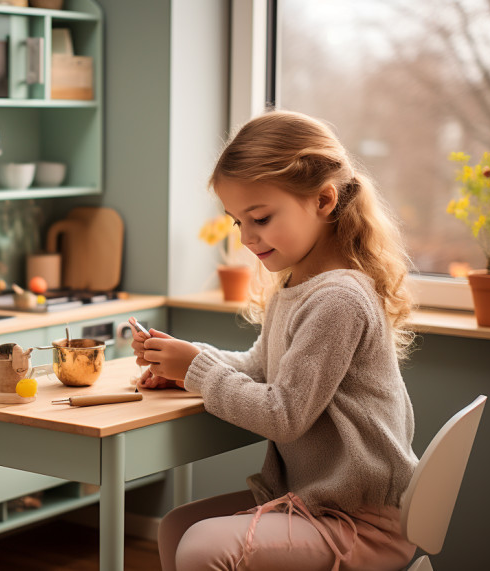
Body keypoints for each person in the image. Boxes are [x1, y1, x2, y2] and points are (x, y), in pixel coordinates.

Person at [133, 110, 419, 571]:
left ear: (324, 200)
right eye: (236, 222)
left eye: (260, 218)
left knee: (202, 546)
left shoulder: (339, 298)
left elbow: (284, 415)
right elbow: (261, 368)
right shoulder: (298, 283)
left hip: (360, 522)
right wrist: (186, 363)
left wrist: (196, 371)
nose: (246, 237)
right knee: (175, 528)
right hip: (318, 505)